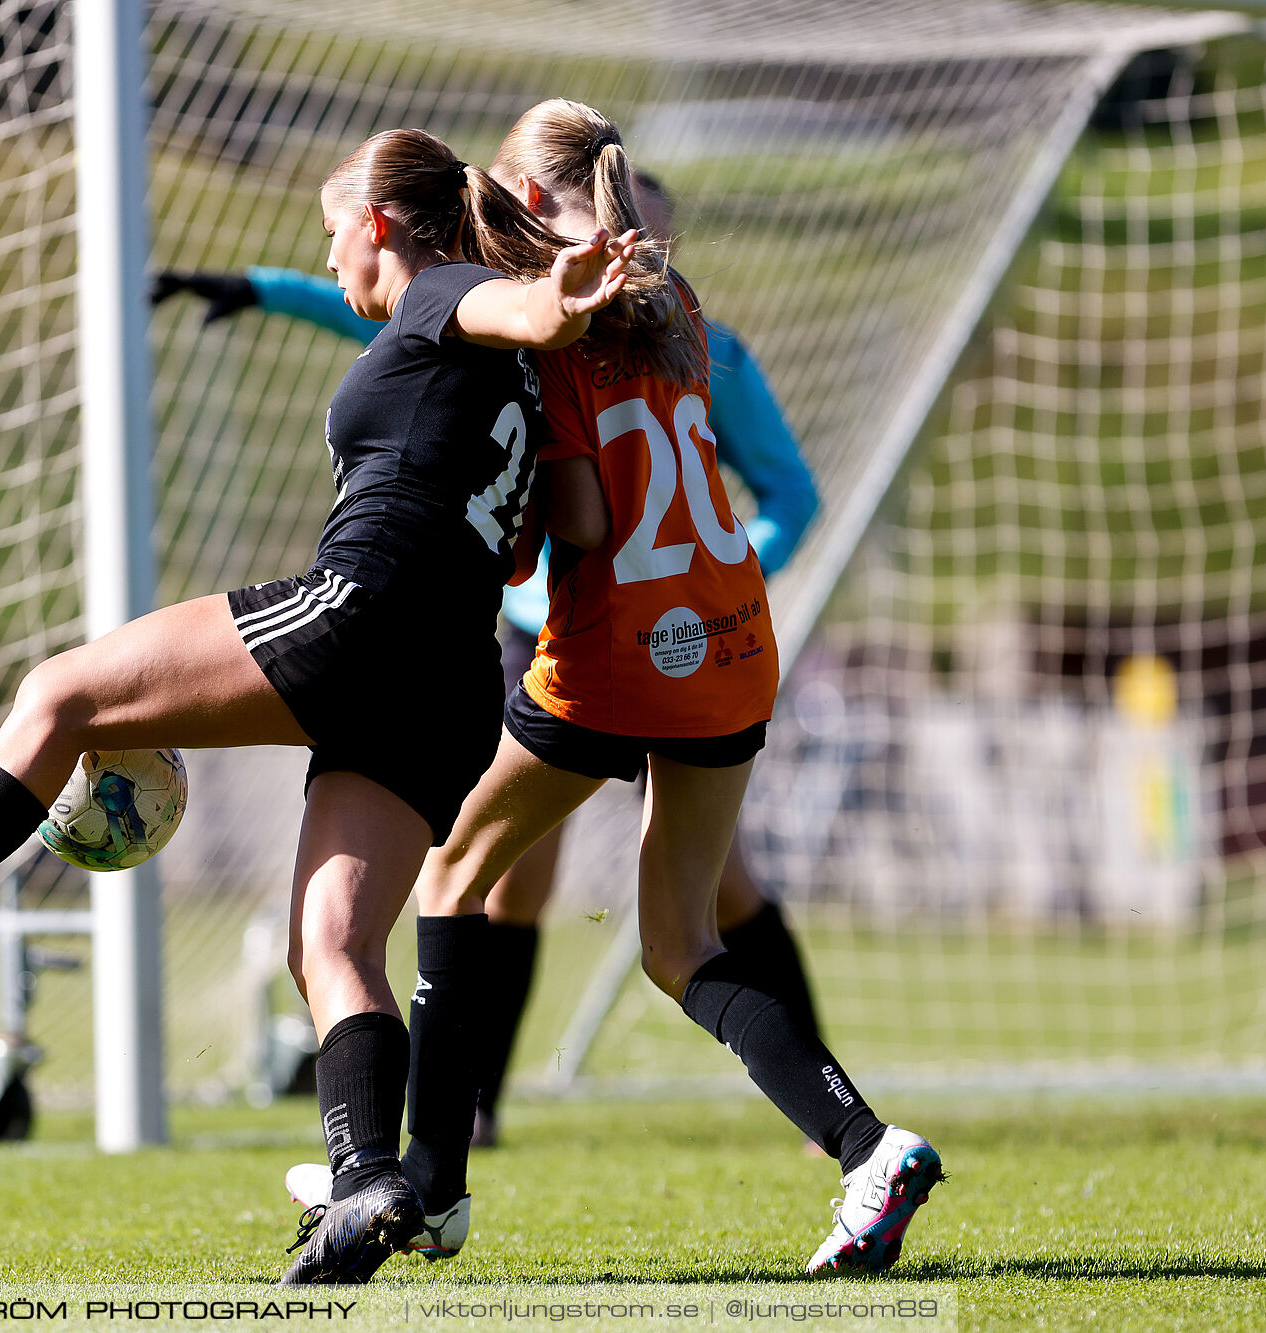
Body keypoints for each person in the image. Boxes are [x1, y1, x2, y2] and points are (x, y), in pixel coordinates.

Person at [0, 126, 637, 1286]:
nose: (329, 264)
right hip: (451, 678)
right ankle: (370, 1182)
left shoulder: (445, 296)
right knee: (329, 944)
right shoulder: (502, 371)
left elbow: (504, 312)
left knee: (56, 693)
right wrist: (553, 328)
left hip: (361, 618)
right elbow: (552, 518)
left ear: (377, 223)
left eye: (332, 237)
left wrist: (553, 305)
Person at [292, 101, 940, 1277]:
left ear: (535, 208)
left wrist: (502, 518)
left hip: (616, 654)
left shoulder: (555, 337)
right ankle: (868, 1148)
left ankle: (430, 1182)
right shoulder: (675, 306)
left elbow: (584, 516)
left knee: (455, 868)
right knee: (679, 939)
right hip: (733, 643)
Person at [159, 174, 824, 1152]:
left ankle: (816, 1111)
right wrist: (260, 286)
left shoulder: (708, 353)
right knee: (508, 876)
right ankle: (473, 1109)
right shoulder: (520, 328)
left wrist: (704, 580)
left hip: (646, 638)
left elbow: (787, 496)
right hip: (538, 629)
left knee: (703, 888)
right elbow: (380, 314)